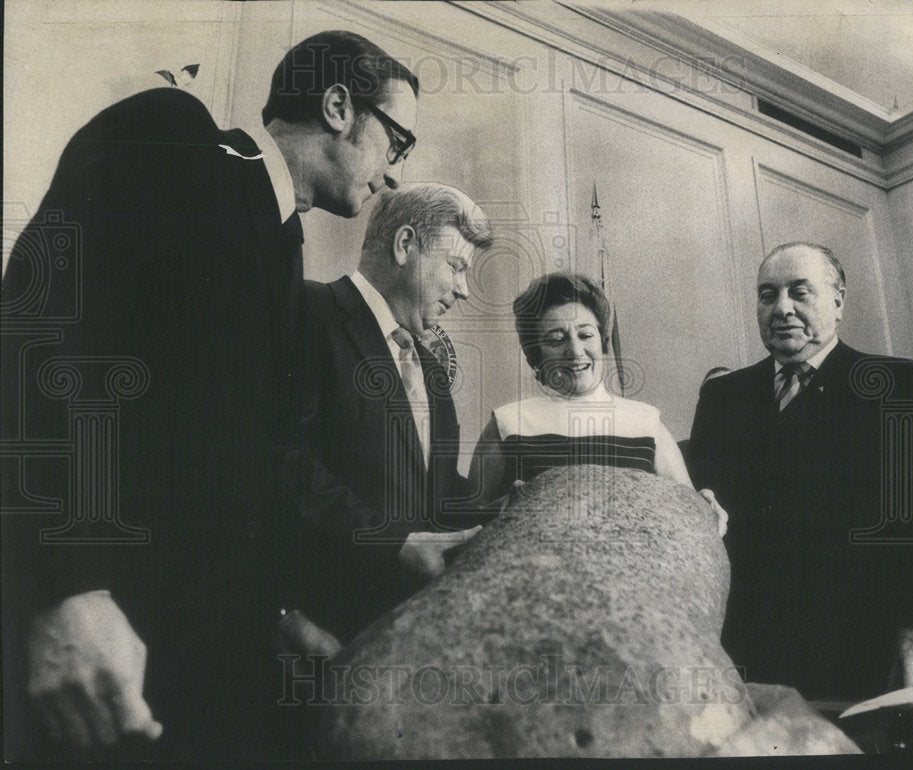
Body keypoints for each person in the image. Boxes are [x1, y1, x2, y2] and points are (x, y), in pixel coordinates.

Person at [1, 30, 418, 759]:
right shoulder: (174, 135)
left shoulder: (284, 251)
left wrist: (283, 610)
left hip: (202, 672)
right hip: (96, 651)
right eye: (398, 140)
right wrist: (67, 586)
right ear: (339, 105)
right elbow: (43, 344)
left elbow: (248, 459)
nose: (393, 175)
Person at [687, 242, 913, 701]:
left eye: (800, 292)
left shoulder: (900, 386)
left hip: (866, 645)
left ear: (838, 302)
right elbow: (704, 518)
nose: (782, 309)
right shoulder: (722, 398)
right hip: (748, 648)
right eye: (767, 294)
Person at [300, 182, 492, 642]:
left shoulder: (428, 366)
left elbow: (438, 494)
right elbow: (275, 465)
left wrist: (506, 509)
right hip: (320, 630)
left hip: (409, 634)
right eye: (457, 267)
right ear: (406, 245)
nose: (464, 290)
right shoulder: (308, 311)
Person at [468, 273, 726, 536]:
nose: (575, 351)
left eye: (585, 334)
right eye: (556, 339)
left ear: (602, 341)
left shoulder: (646, 423)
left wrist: (704, 505)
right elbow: (470, 523)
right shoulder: (507, 422)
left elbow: (687, 513)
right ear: (536, 355)